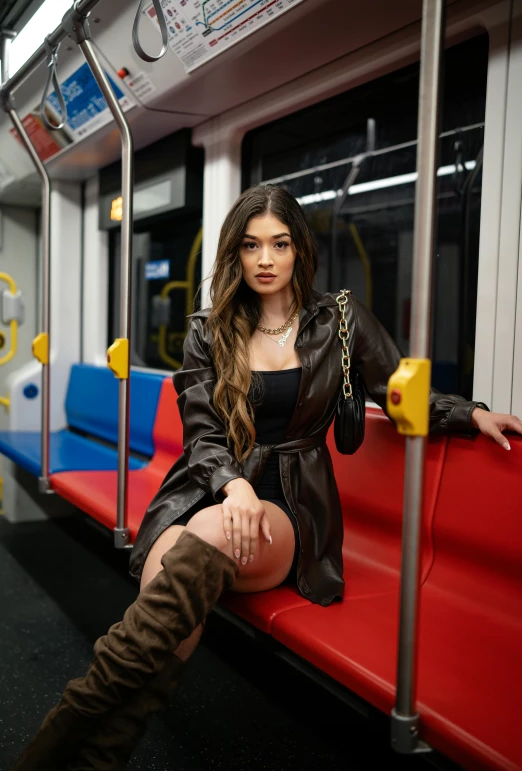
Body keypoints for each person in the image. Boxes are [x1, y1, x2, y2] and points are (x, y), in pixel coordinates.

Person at [14, 185, 522, 770]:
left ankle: (52, 745)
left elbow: (400, 386)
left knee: (192, 559)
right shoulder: (208, 330)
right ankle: (93, 755)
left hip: (291, 505)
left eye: (279, 244)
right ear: (234, 253)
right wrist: (234, 487)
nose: (264, 260)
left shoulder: (340, 321)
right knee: (162, 612)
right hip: (209, 489)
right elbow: (203, 436)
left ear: (298, 250)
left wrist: (471, 413)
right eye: (251, 245)